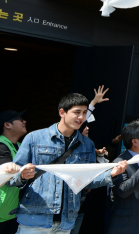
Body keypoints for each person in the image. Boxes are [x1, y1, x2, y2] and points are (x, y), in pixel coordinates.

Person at [10, 93, 127, 234]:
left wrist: (111, 174)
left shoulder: (87, 144)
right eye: (77, 112)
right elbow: (12, 176)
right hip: (35, 217)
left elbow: (86, 181)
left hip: (66, 221)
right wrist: (22, 175)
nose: (81, 117)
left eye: (84, 113)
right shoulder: (34, 138)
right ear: (62, 112)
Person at [0, 110, 27, 234]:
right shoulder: (1, 145)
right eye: (21, 119)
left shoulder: (22, 146)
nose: (24, 121)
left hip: (14, 213)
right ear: (7, 125)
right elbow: (7, 177)